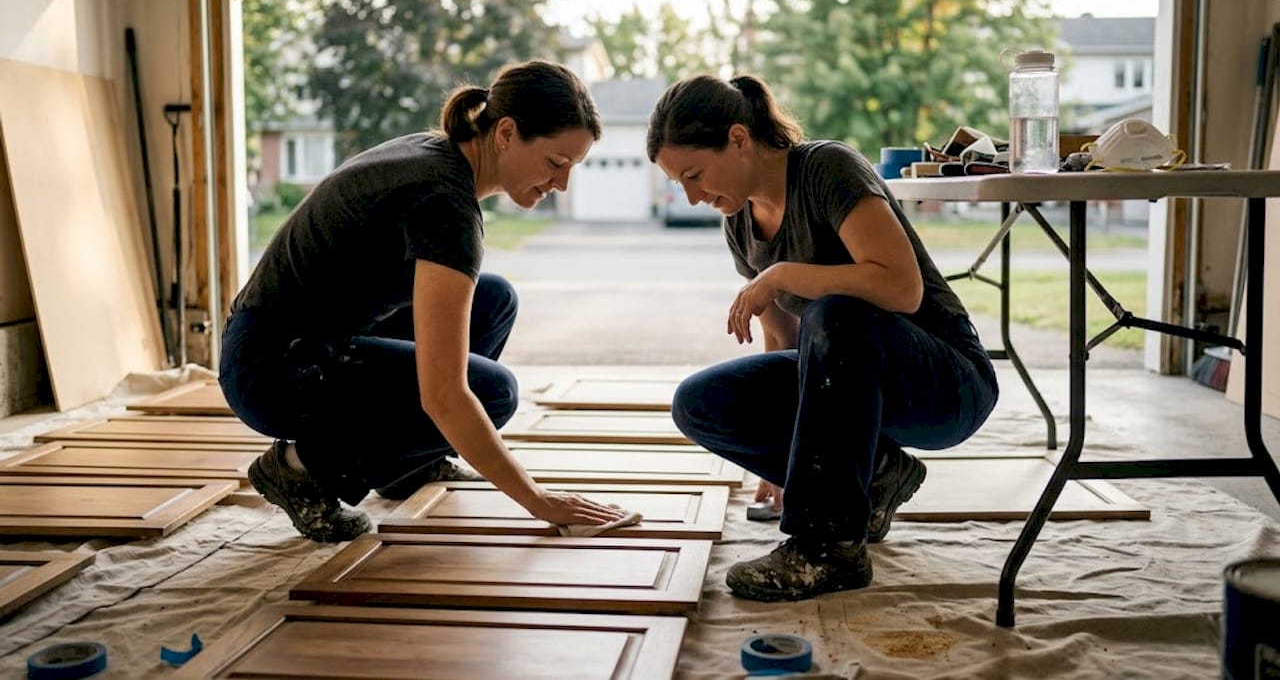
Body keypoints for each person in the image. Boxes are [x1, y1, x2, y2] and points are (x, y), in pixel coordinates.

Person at [220, 60, 625, 542]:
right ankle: (300, 469)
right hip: (273, 371)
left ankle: (406, 466)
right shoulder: (443, 202)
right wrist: (537, 500)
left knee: (493, 300)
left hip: (298, 340)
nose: (561, 184)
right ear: (507, 133)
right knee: (492, 393)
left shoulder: (439, 155)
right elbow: (444, 394)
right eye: (556, 164)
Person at [646, 74, 999, 602]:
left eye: (695, 175)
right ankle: (878, 478)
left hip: (947, 383)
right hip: (852, 377)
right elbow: (782, 337)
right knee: (699, 403)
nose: (693, 197)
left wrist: (783, 274)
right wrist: (799, 468)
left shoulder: (828, 168)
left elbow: (900, 288)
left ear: (739, 139)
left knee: (836, 314)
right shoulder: (739, 220)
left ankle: (829, 547)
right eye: (681, 185)